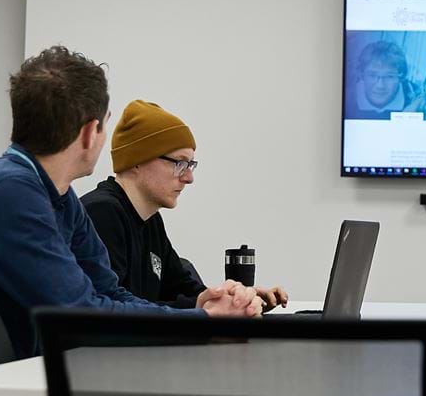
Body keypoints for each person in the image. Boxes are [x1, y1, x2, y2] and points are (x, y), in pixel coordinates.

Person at [0, 47, 260, 383]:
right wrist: (204, 321)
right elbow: (81, 316)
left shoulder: (57, 195)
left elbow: (109, 292)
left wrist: (199, 317)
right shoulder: (8, 191)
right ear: (90, 133)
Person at [81, 100, 289, 311]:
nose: (189, 178)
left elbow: (183, 288)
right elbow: (115, 310)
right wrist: (206, 309)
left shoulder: (150, 219)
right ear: (137, 159)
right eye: (179, 163)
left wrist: (237, 298)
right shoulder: (102, 213)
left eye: (190, 165)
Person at [345, 40, 416, 119]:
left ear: (401, 77)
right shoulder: (345, 99)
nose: (380, 85)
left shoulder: (417, 102)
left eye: (389, 76)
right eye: (372, 76)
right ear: (361, 75)